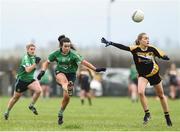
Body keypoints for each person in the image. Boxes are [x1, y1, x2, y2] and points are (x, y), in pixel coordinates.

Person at [101, 33, 172, 126]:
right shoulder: (135, 49)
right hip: (143, 75)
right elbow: (123, 47)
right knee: (140, 92)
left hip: (154, 74)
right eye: (145, 38)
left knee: (161, 96)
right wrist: (110, 43)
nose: (148, 40)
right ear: (140, 40)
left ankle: (167, 117)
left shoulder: (152, 49)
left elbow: (162, 54)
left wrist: (164, 57)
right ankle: (147, 113)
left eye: (148, 38)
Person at [37, 35, 106, 125]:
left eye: (69, 46)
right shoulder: (55, 53)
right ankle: (68, 86)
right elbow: (46, 63)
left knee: (67, 97)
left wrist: (95, 69)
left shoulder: (74, 54)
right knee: (64, 81)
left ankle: (60, 113)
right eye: (65, 46)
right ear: (61, 46)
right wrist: (42, 71)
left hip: (71, 75)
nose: (67, 48)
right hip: (60, 72)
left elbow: (84, 62)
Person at [4, 43, 42, 120]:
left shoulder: (34, 57)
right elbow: (28, 70)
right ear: (27, 50)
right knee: (15, 98)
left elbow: (34, 68)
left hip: (30, 80)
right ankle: (7, 111)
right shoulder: (26, 58)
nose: (33, 51)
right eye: (31, 49)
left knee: (39, 90)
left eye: (34, 49)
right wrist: (35, 63)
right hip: (22, 80)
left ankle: (31, 105)